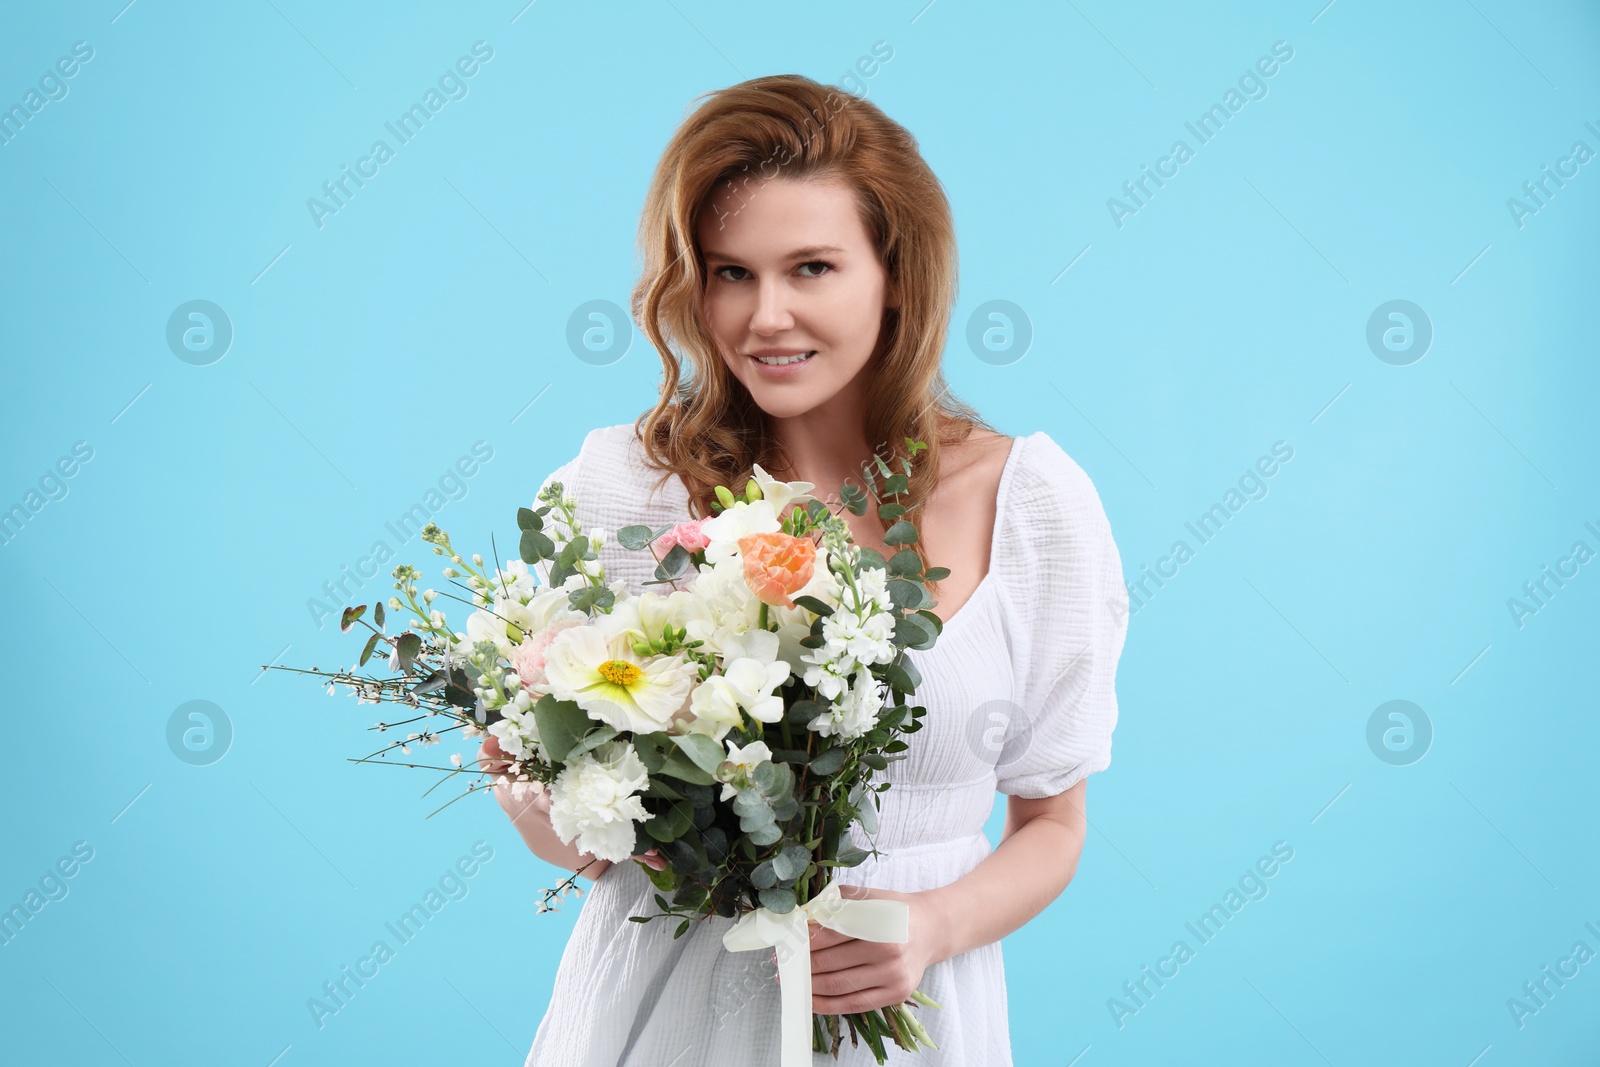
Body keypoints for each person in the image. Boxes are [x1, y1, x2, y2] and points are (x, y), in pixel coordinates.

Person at [478, 73, 1129, 1065]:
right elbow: (575, 841)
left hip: (917, 1023)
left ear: (896, 272)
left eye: (812, 267)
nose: (764, 316)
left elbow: (1053, 819)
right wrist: (546, 791)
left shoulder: (1030, 501)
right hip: (657, 1019)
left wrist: (935, 925)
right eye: (729, 271)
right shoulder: (620, 486)